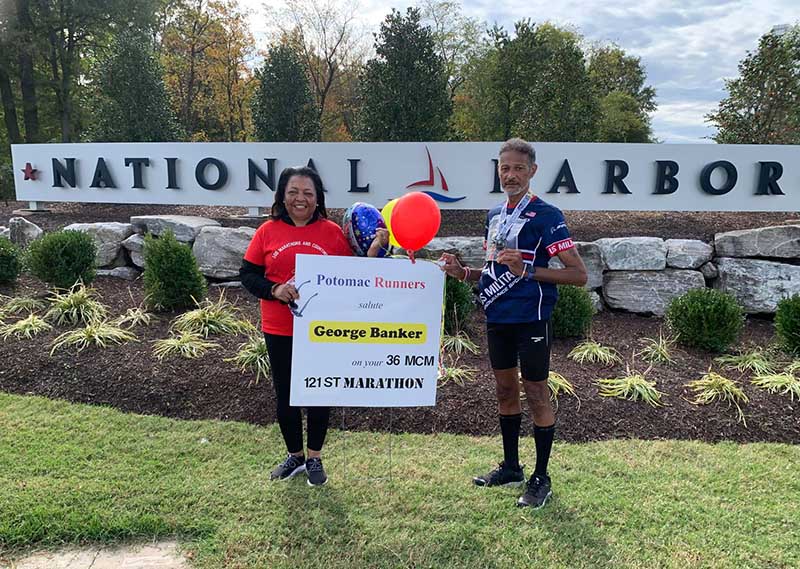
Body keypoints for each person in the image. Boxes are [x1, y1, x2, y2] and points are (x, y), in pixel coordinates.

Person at [439, 138, 587, 509]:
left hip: (532, 318)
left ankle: (541, 477)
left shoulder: (547, 215)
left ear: (532, 171)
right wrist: (462, 272)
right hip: (497, 317)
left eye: (519, 168)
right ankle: (511, 467)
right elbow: (492, 270)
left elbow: (578, 275)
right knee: (505, 392)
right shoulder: (494, 215)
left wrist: (528, 270)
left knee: (535, 393)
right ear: (498, 170)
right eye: (505, 168)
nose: (511, 174)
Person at [240, 166, 387, 487]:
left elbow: (354, 275)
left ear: (318, 198)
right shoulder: (267, 231)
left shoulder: (332, 232)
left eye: (308, 193)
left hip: (322, 329)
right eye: (293, 192)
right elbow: (248, 275)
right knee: (286, 395)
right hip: (279, 327)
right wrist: (274, 290)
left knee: (320, 392)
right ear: (282, 195)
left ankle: (315, 457)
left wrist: (374, 252)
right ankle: (295, 456)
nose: (300, 199)